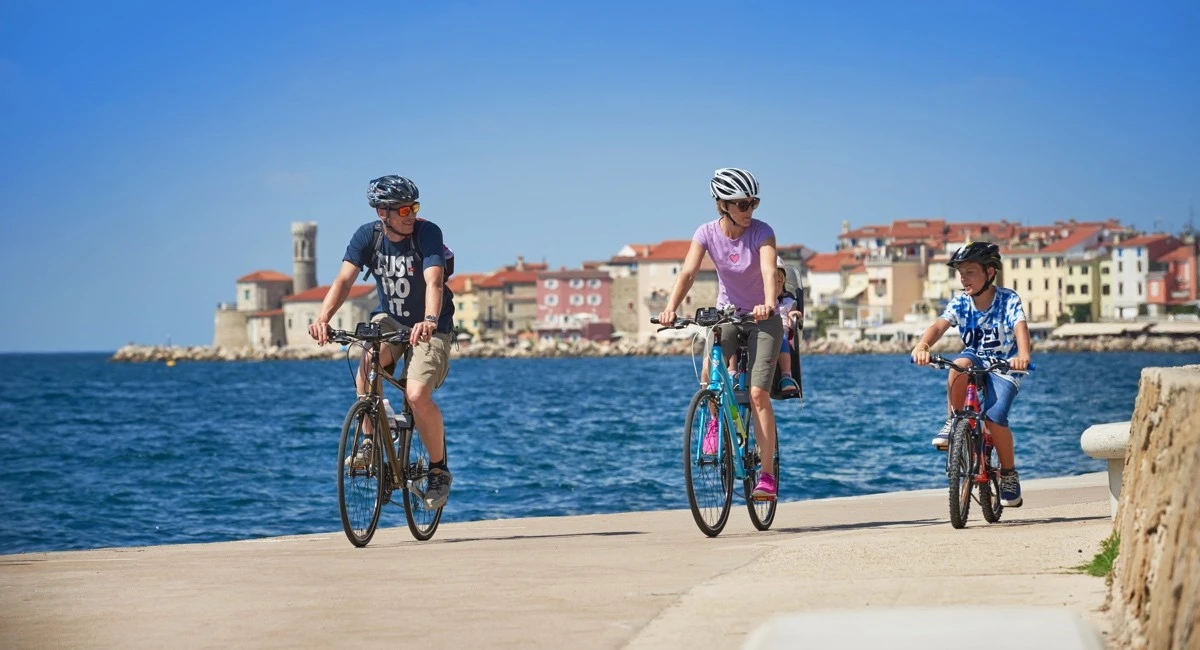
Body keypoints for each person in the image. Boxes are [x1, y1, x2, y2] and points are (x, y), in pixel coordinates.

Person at [308, 175, 456, 509]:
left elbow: (434, 281)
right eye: (403, 208)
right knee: (365, 361)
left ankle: (437, 471)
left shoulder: (427, 232)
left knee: (417, 395)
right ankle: (368, 443)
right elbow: (344, 280)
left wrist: (430, 320)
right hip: (390, 318)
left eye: (414, 206)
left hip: (432, 323)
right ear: (382, 213)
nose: (410, 214)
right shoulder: (367, 237)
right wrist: (323, 319)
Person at [657, 168, 783, 500]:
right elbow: (687, 272)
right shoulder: (706, 233)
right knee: (711, 377)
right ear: (722, 205)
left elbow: (770, 270)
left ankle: (767, 476)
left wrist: (769, 304)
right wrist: (671, 308)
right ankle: (714, 420)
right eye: (742, 204)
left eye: (753, 202)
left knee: (757, 394)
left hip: (762, 318)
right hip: (727, 313)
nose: (749, 210)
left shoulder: (762, 232)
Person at [910, 241, 1031, 507]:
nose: (964, 278)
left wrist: (1022, 355)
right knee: (958, 364)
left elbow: (1020, 327)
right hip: (975, 357)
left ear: (990, 273)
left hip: (1005, 366)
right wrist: (923, 345)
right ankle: (954, 421)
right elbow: (939, 326)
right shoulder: (961, 303)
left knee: (995, 417)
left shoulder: (1008, 300)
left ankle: (1009, 474)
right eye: (960, 273)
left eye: (970, 272)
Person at [773, 257, 803, 395]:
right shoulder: (757, 300)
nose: (776, 285)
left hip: (781, 330)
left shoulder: (787, 301)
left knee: (781, 337)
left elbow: (792, 316)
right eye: (773, 282)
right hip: (761, 330)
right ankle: (733, 373)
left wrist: (793, 315)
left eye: (779, 281)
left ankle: (786, 376)